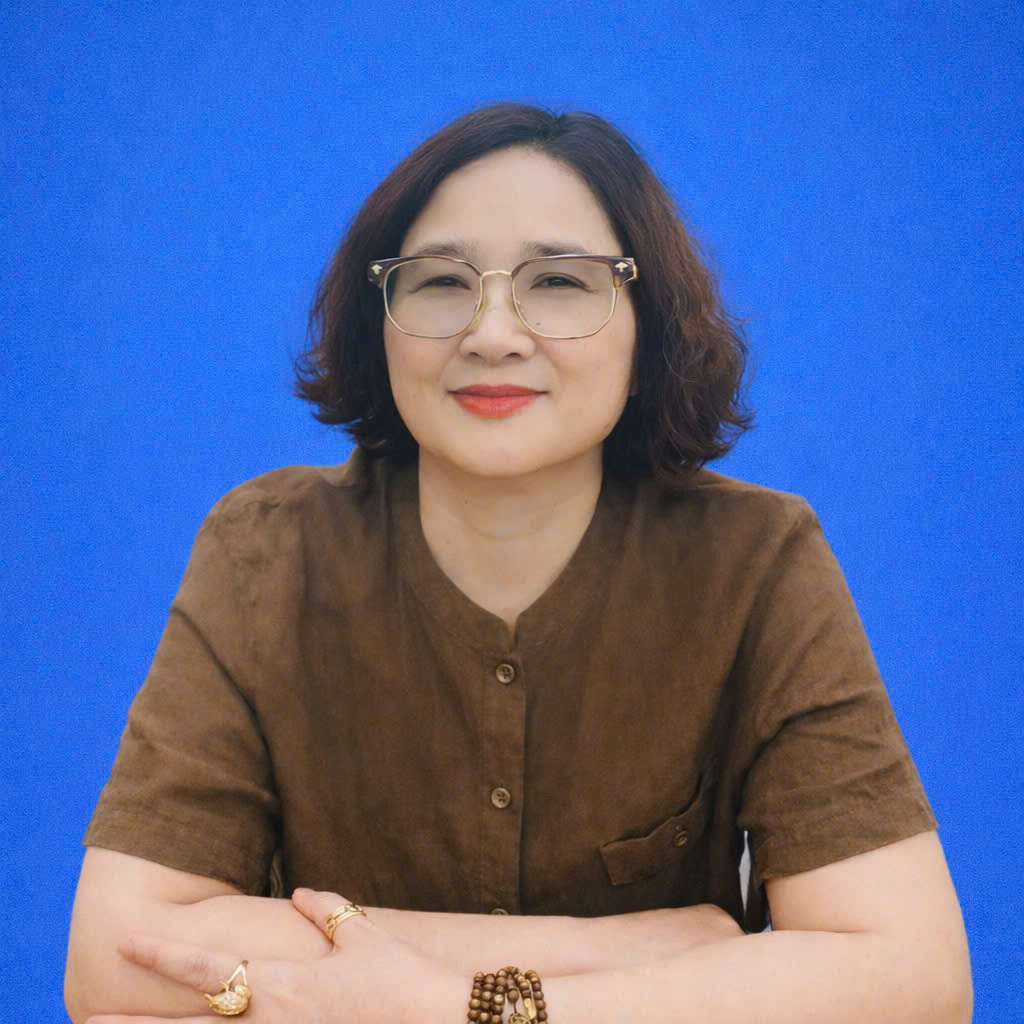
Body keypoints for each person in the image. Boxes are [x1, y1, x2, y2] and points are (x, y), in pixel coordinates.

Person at [65, 104, 971, 1024]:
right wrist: (642, 948)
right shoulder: (265, 552)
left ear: (647, 320)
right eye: (440, 282)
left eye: (560, 282)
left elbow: (916, 979)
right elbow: (112, 959)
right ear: (381, 320)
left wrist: (452, 1007)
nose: (493, 333)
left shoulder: (756, 561)